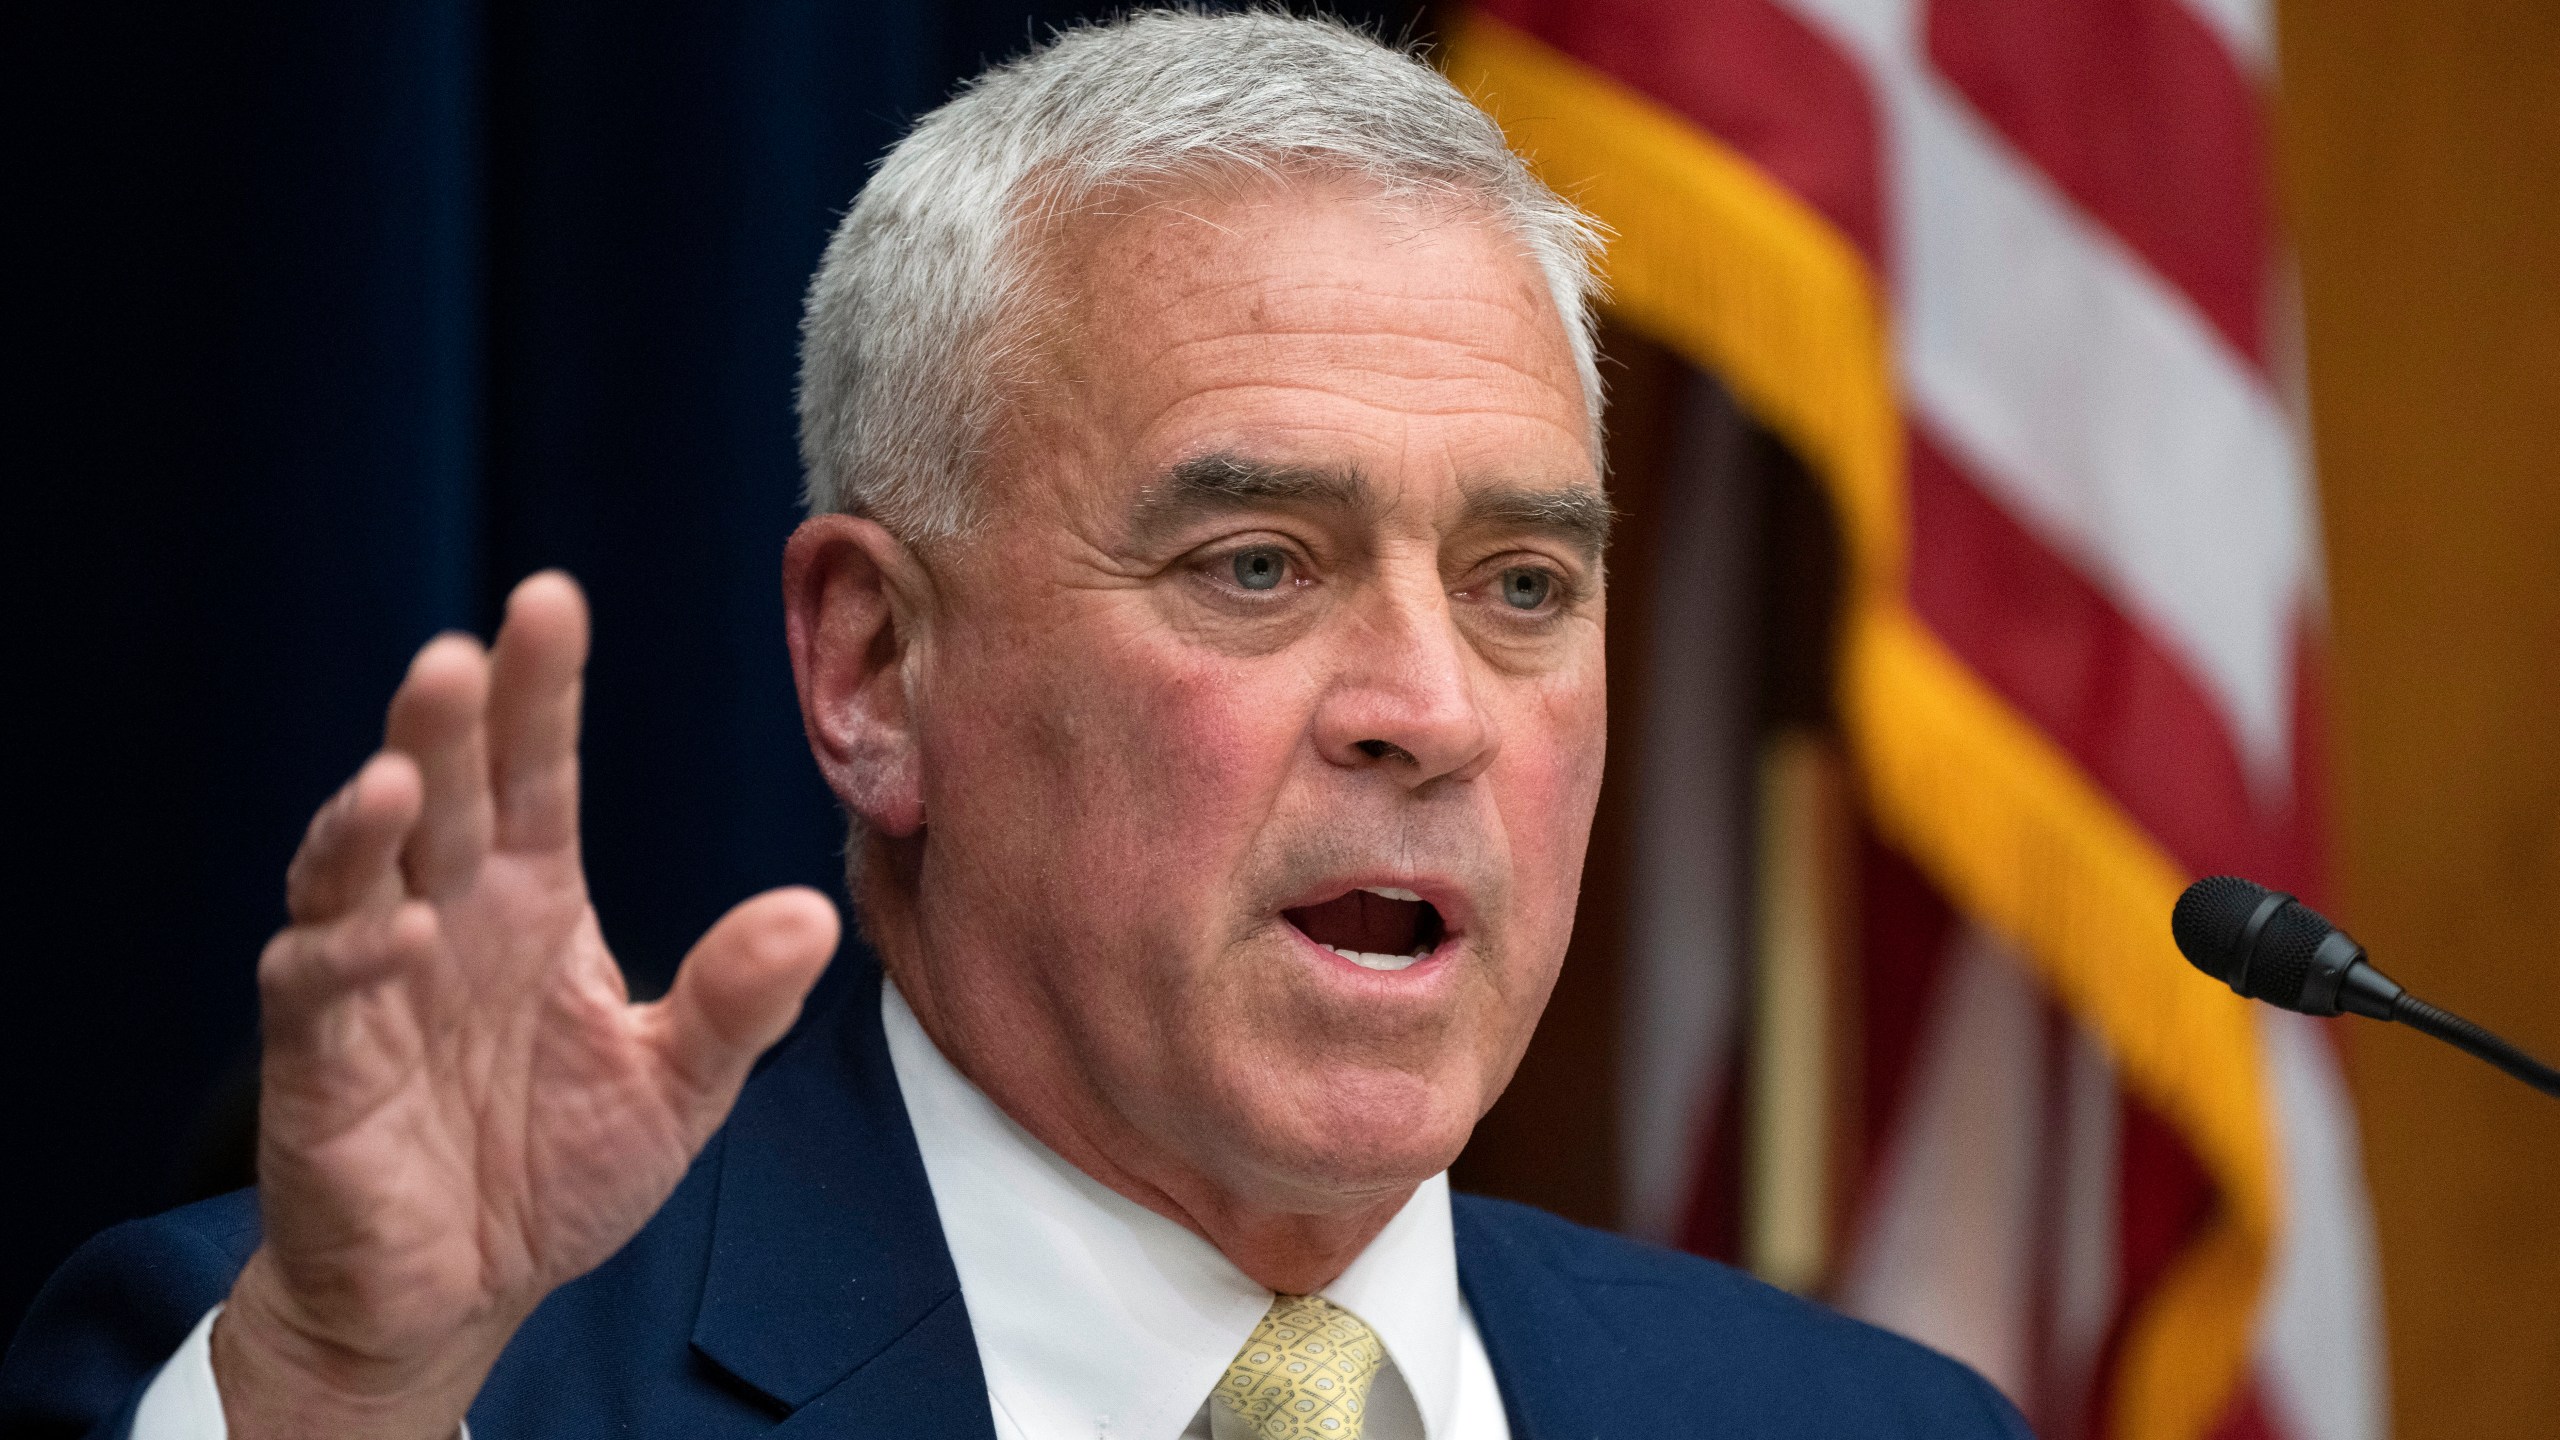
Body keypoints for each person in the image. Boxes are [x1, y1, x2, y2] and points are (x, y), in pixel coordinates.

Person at [2, 12, 2028, 1439]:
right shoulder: (397, 1382)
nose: (1430, 711)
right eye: (1256, 563)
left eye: (1522, 586)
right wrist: (347, 1407)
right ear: (875, 668)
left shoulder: (1863, 1420)